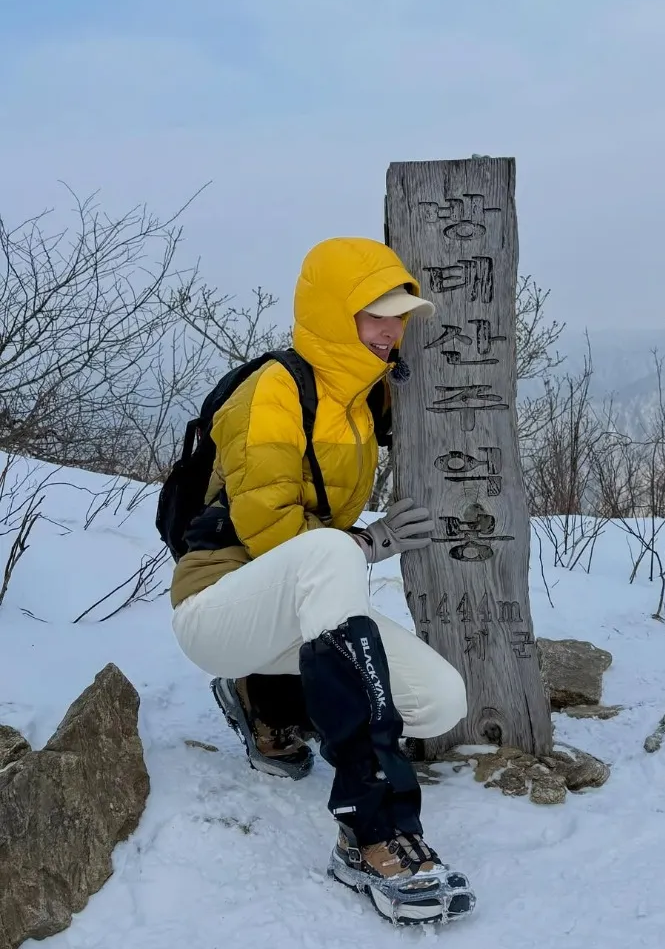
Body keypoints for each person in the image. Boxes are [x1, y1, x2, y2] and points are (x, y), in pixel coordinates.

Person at [169, 237, 475, 925]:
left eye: (400, 317)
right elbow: (275, 530)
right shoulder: (273, 392)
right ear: (336, 315)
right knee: (335, 556)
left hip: (291, 611)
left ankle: (267, 695)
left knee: (440, 701)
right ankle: (371, 831)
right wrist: (371, 541)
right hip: (217, 606)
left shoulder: (364, 400)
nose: (393, 331)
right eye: (376, 316)